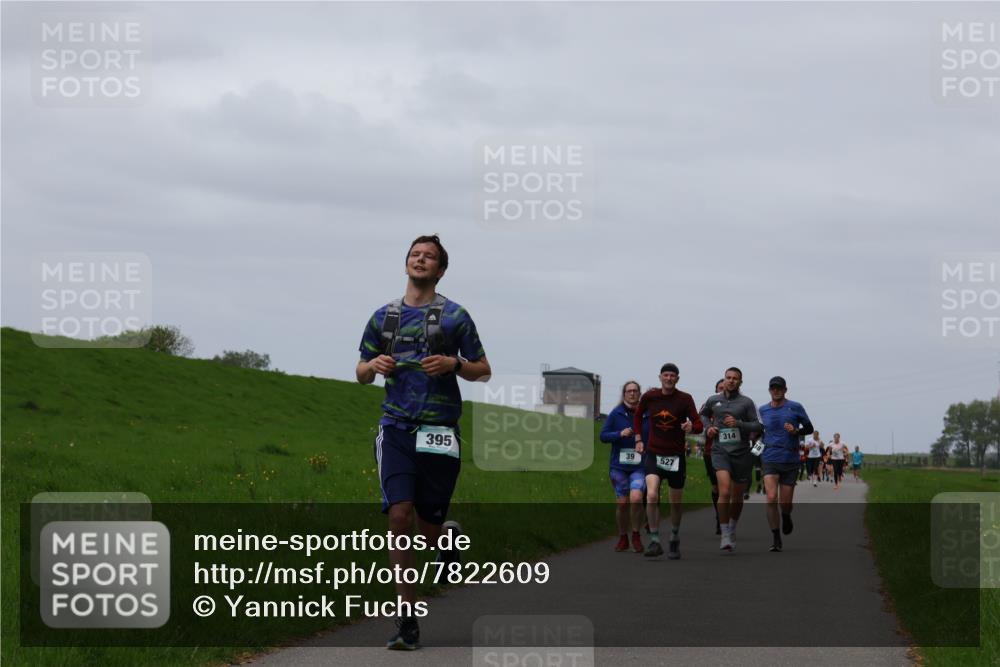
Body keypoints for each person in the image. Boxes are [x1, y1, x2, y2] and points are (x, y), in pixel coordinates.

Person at [357, 234, 491, 650]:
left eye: (429, 256)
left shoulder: (455, 317)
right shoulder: (383, 317)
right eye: (415, 254)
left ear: (441, 269)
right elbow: (360, 371)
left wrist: (455, 363)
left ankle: (444, 539)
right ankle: (407, 621)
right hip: (395, 427)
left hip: (439, 431)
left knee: (429, 527)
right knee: (399, 517)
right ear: (406, 264)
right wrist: (373, 365)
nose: (420, 260)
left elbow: (483, 370)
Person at [633, 363, 704, 560]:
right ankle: (655, 539)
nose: (669, 378)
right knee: (652, 495)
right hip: (654, 453)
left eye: (673, 376)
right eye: (666, 375)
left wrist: (691, 426)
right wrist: (638, 438)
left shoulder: (685, 399)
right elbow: (638, 416)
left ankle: (674, 536)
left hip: (675, 457)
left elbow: (698, 424)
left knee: (675, 503)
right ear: (660, 377)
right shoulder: (650, 397)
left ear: (677, 379)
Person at [700, 367, 763, 553]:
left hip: (741, 453)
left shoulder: (747, 402)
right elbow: (702, 415)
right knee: (724, 491)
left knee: (736, 497)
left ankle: (732, 527)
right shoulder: (713, 400)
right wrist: (708, 428)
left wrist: (739, 424)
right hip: (720, 451)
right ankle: (725, 532)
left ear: (740, 382)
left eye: (735, 378)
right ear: (724, 379)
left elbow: (758, 425)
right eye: (728, 377)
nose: (731, 381)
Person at [759, 376, 814, 552]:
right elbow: (759, 435)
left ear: (785, 390)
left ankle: (786, 515)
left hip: (790, 459)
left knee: (785, 502)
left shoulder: (795, 407)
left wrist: (796, 431)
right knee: (770, 498)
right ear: (769, 390)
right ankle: (776, 537)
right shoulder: (762, 410)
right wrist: (754, 455)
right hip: (770, 457)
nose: (776, 391)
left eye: (779, 388)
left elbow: (809, 428)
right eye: (773, 388)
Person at [599, 381, 649, 554]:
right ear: (624, 394)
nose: (632, 394)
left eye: (635, 391)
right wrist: (619, 434)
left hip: (640, 466)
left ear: (640, 394)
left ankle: (636, 535)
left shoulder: (647, 414)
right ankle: (622, 537)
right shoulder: (616, 413)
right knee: (622, 503)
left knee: (636, 498)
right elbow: (603, 436)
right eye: (629, 391)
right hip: (619, 466)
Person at [701, 379, 726, 534]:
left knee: (727, 488)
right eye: (719, 388)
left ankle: (726, 518)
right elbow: (699, 422)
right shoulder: (709, 404)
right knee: (716, 487)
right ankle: (719, 517)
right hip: (711, 452)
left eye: (724, 388)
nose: (722, 391)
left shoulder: (738, 405)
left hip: (732, 453)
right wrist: (709, 427)